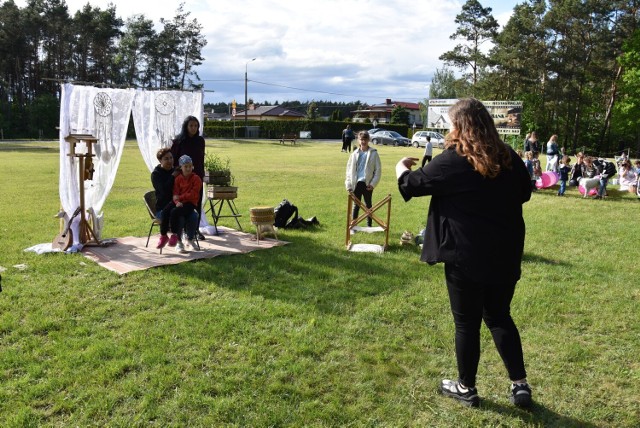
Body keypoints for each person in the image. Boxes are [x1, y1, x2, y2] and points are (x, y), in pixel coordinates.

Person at [395, 98, 533, 408]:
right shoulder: (508, 157)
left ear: (460, 126)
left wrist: (400, 167)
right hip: (505, 253)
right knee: (499, 316)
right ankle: (520, 385)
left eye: (451, 123)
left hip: (465, 257)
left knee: (467, 324)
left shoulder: (453, 160)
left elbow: (411, 186)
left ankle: (466, 387)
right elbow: (524, 192)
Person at [171, 116, 206, 240]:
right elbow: (173, 160)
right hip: (183, 179)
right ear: (186, 127)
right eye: (191, 125)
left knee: (196, 202)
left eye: (196, 126)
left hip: (197, 177)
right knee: (184, 204)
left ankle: (195, 230)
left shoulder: (200, 141)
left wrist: (202, 174)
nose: (193, 128)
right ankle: (183, 230)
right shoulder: (178, 141)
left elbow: (201, 159)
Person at [345, 131, 381, 227]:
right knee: (356, 206)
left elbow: (378, 171)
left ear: (368, 140)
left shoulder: (374, 153)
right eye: (361, 139)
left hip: (367, 184)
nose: (363, 141)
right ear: (358, 140)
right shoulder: (354, 154)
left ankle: (369, 226)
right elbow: (348, 170)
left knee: (368, 205)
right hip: (356, 183)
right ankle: (353, 226)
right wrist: (348, 185)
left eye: (365, 139)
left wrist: (373, 184)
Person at [170, 155, 202, 252]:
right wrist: (177, 202)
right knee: (180, 217)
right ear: (181, 167)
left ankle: (190, 239)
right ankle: (178, 242)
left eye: (190, 166)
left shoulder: (196, 178)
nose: (188, 168)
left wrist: (180, 197)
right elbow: (175, 193)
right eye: (185, 166)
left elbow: (193, 194)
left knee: (194, 216)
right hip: (181, 205)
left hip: (190, 204)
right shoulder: (178, 179)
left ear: (192, 166)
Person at [151, 148, 177, 249]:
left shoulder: (176, 170)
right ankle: (171, 237)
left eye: (171, 158)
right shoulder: (156, 174)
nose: (170, 161)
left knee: (193, 216)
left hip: (177, 204)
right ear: (160, 160)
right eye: (166, 159)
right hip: (162, 208)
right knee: (178, 216)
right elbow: (164, 192)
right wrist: (173, 177)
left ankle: (189, 239)